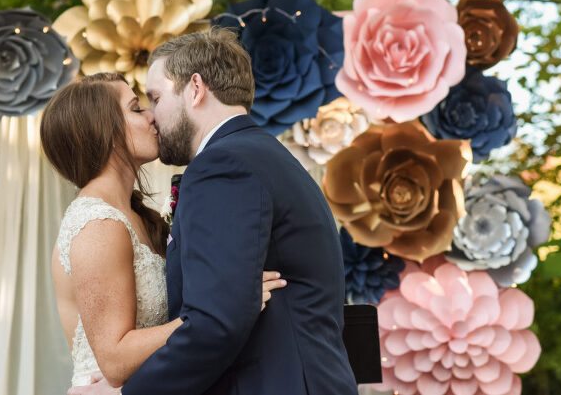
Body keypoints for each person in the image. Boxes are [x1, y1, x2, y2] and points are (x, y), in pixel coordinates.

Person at [65, 27, 357, 395]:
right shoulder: (261, 154)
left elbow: (216, 323)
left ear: (196, 88)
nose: (152, 116)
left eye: (154, 98)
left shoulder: (224, 165)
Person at [40, 71, 286, 390]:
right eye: (136, 108)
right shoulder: (97, 223)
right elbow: (114, 360)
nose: (152, 117)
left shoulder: (133, 215)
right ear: (104, 131)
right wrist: (225, 307)